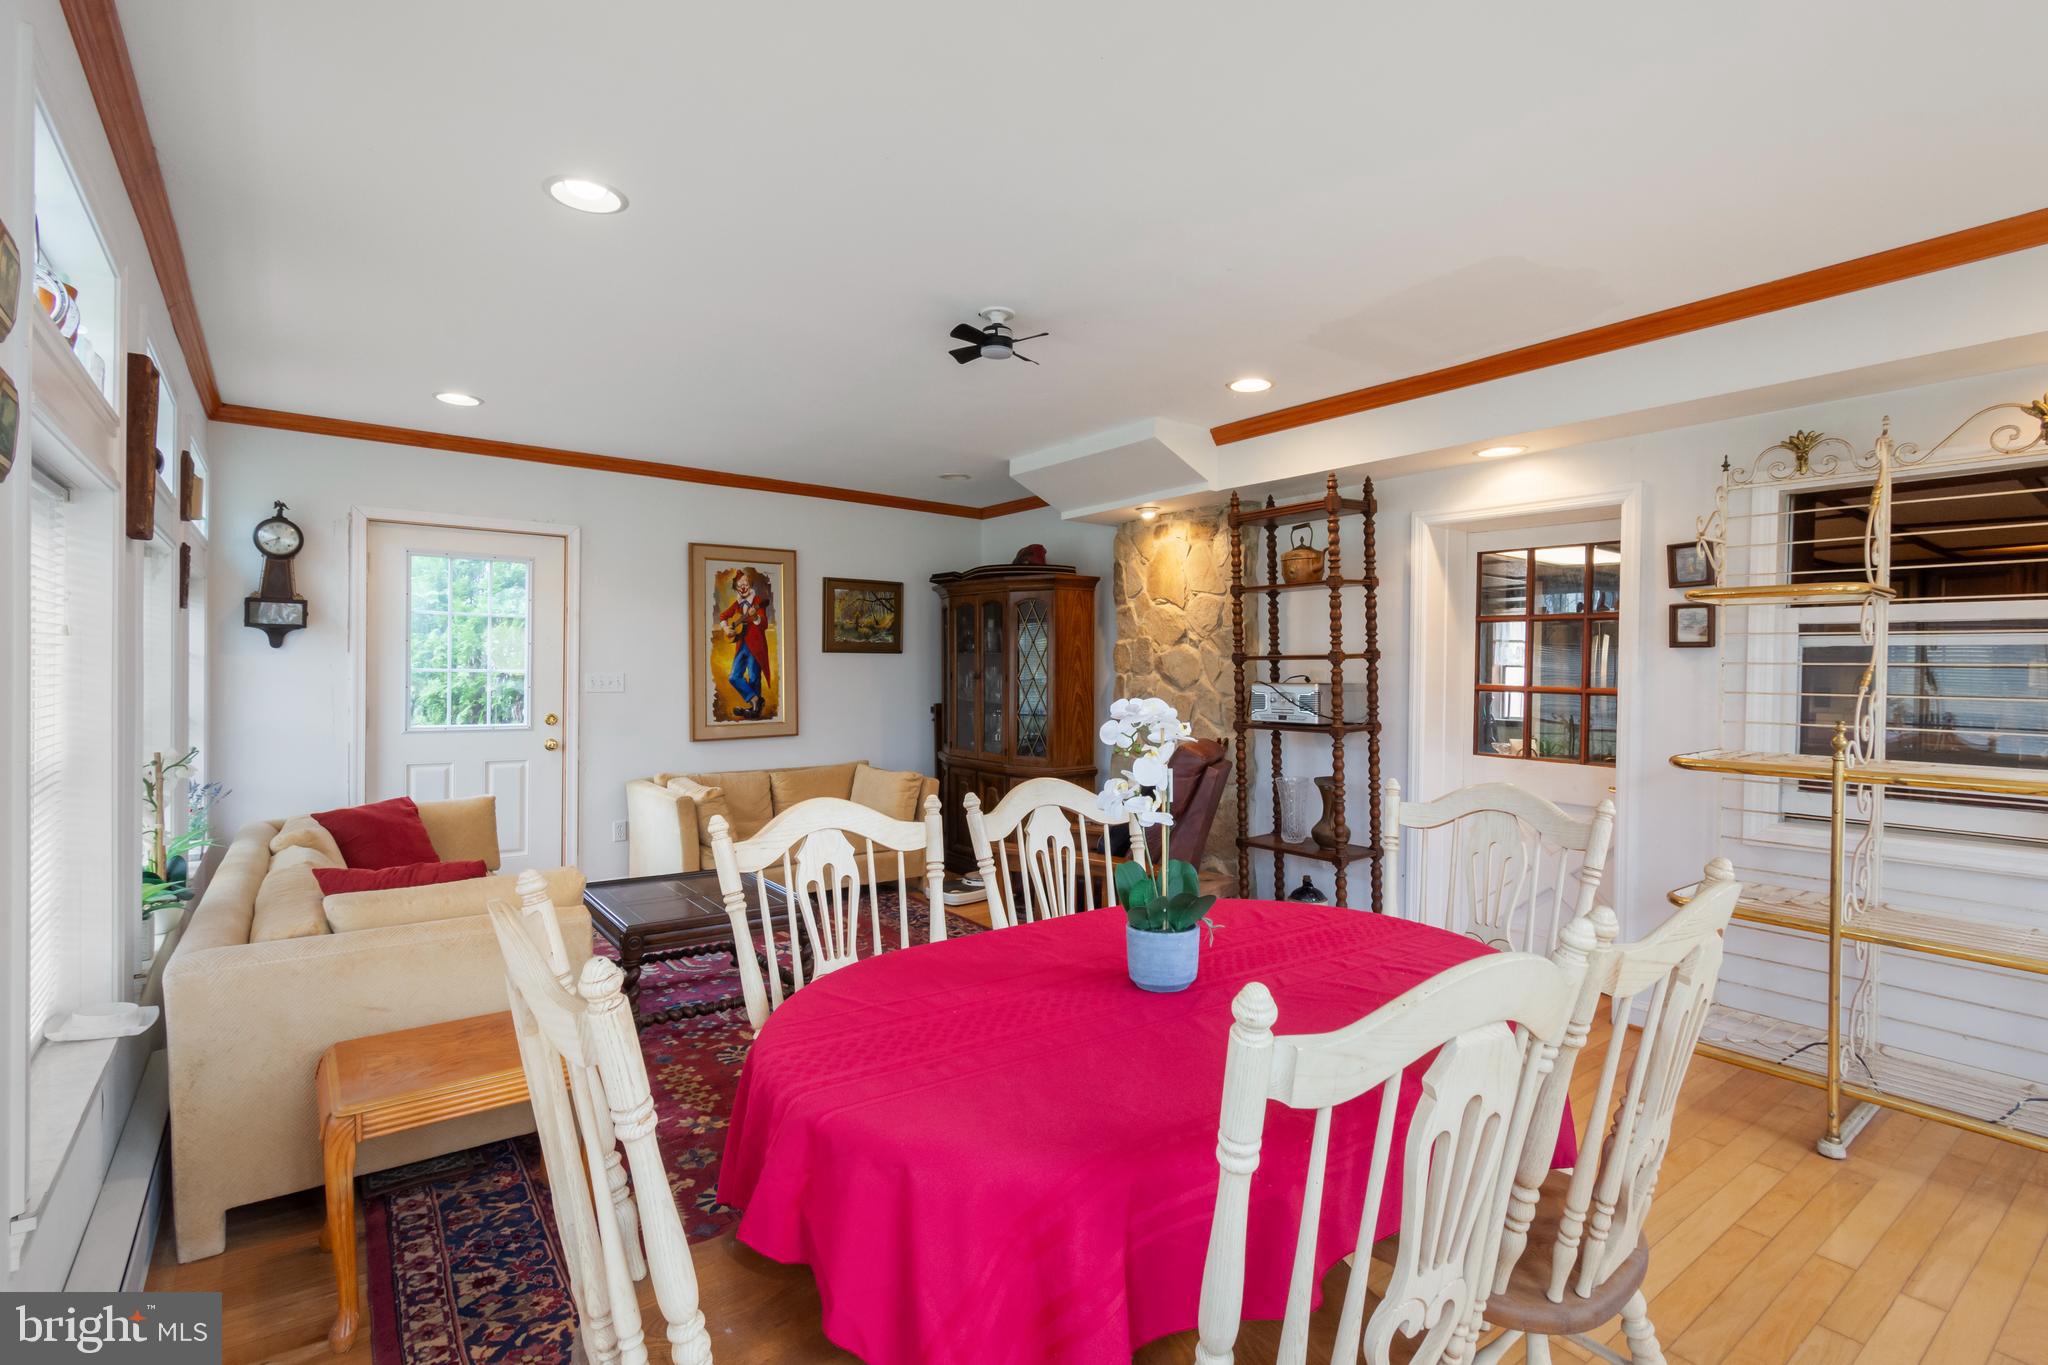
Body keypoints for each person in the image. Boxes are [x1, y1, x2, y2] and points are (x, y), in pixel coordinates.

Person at [717, 567, 774, 719]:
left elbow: (764, 625)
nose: (743, 587)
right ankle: (756, 700)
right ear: (736, 588)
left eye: (746, 584)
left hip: (755, 646)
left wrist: (755, 617)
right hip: (741, 645)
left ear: (750, 585)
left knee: (754, 677)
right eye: (740, 585)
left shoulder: (757, 602)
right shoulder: (737, 604)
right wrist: (726, 629)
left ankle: (754, 709)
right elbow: (723, 616)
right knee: (734, 676)